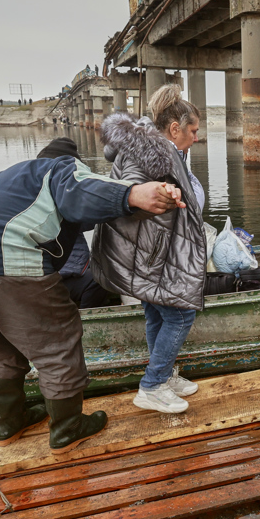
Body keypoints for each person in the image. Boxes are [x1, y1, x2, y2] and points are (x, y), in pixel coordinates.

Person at [0, 140, 183, 454]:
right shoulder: (57, 168)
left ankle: (9, 424)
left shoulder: (13, 180)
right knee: (58, 339)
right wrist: (133, 193)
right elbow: (82, 188)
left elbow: (85, 211)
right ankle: (68, 428)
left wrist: (126, 208)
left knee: (2, 345)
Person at [91, 84, 206, 415]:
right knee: (181, 314)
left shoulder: (157, 148)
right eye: (193, 131)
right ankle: (153, 385)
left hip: (152, 249)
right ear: (174, 128)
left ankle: (165, 376)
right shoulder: (148, 151)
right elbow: (129, 192)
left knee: (157, 311)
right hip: (147, 251)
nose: (195, 138)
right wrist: (159, 197)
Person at [35, 138, 113, 309]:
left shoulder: (32, 192)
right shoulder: (63, 198)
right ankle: (86, 318)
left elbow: (88, 220)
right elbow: (93, 216)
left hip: (38, 282)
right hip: (54, 281)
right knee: (99, 280)